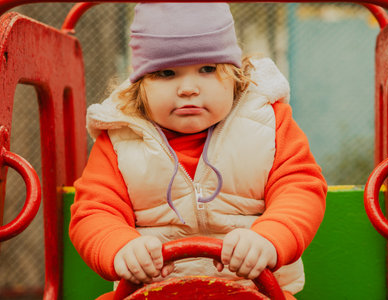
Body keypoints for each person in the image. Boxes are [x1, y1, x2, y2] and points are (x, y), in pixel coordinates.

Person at [70, 3, 327, 299]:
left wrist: (269, 238)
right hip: (151, 291)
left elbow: (299, 187)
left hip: (251, 288)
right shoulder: (120, 136)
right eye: (167, 73)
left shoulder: (267, 122)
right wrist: (121, 247)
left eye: (207, 69)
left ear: (235, 74)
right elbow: (95, 210)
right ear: (140, 84)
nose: (188, 88)